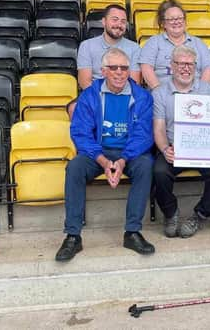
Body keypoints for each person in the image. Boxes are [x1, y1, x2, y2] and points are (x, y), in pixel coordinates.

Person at [55, 48, 155, 262]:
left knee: (146, 165)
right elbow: (80, 133)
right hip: (98, 152)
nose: (119, 72)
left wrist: (121, 161)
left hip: (129, 153)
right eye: (113, 67)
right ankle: (73, 235)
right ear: (103, 71)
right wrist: (102, 160)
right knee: (74, 167)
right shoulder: (90, 95)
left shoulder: (142, 97)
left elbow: (143, 136)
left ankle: (132, 232)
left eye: (124, 68)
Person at [152, 45, 210, 238]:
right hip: (173, 148)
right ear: (171, 66)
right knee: (159, 172)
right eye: (181, 64)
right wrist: (164, 149)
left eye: (191, 65)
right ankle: (170, 213)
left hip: (202, 149)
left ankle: (200, 215)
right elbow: (159, 128)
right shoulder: (160, 93)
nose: (186, 68)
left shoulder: (208, 90)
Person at [69, 4, 141, 118]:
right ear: (104, 21)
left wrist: (115, 99)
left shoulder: (134, 48)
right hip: (95, 93)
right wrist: (104, 100)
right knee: (74, 107)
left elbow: (134, 81)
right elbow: (84, 82)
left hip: (124, 92)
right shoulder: (87, 45)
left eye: (123, 21)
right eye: (115, 20)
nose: (119, 25)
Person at [140, 0, 210, 90]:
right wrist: (159, 93)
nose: (176, 22)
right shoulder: (154, 42)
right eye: (171, 19)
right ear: (163, 23)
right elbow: (146, 68)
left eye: (180, 18)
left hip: (194, 94)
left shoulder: (198, 43)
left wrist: (200, 93)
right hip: (163, 94)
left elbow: (208, 69)